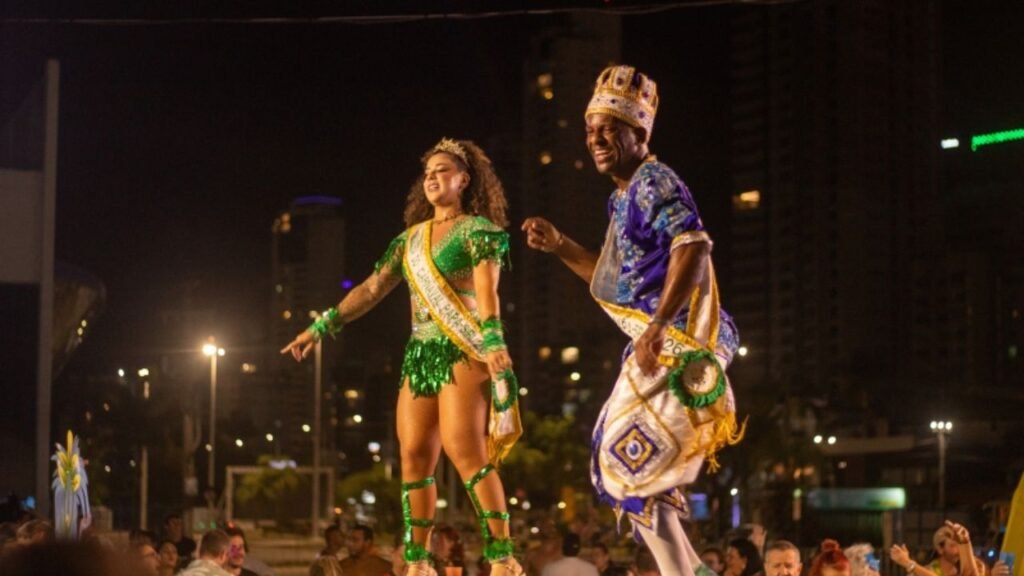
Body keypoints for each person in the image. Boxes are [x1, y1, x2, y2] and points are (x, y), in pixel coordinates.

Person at [523, 64, 742, 576]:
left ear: (639, 133)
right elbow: (613, 281)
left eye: (609, 130)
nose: (596, 140)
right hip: (657, 341)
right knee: (628, 469)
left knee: (627, 466)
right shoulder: (622, 195)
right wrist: (559, 246)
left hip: (681, 342)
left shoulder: (653, 180)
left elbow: (694, 246)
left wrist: (660, 326)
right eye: (590, 130)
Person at [282, 138, 523, 576]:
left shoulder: (479, 230)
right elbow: (372, 289)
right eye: (428, 172)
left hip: (461, 349)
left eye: (443, 170)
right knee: (413, 455)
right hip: (419, 354)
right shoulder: (409, 240)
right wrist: (320, 327)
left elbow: (488, 296)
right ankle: (417, 561)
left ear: (464, 180)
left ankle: (501, 555)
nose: (432, 177)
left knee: (464, 451)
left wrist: (494, 342)